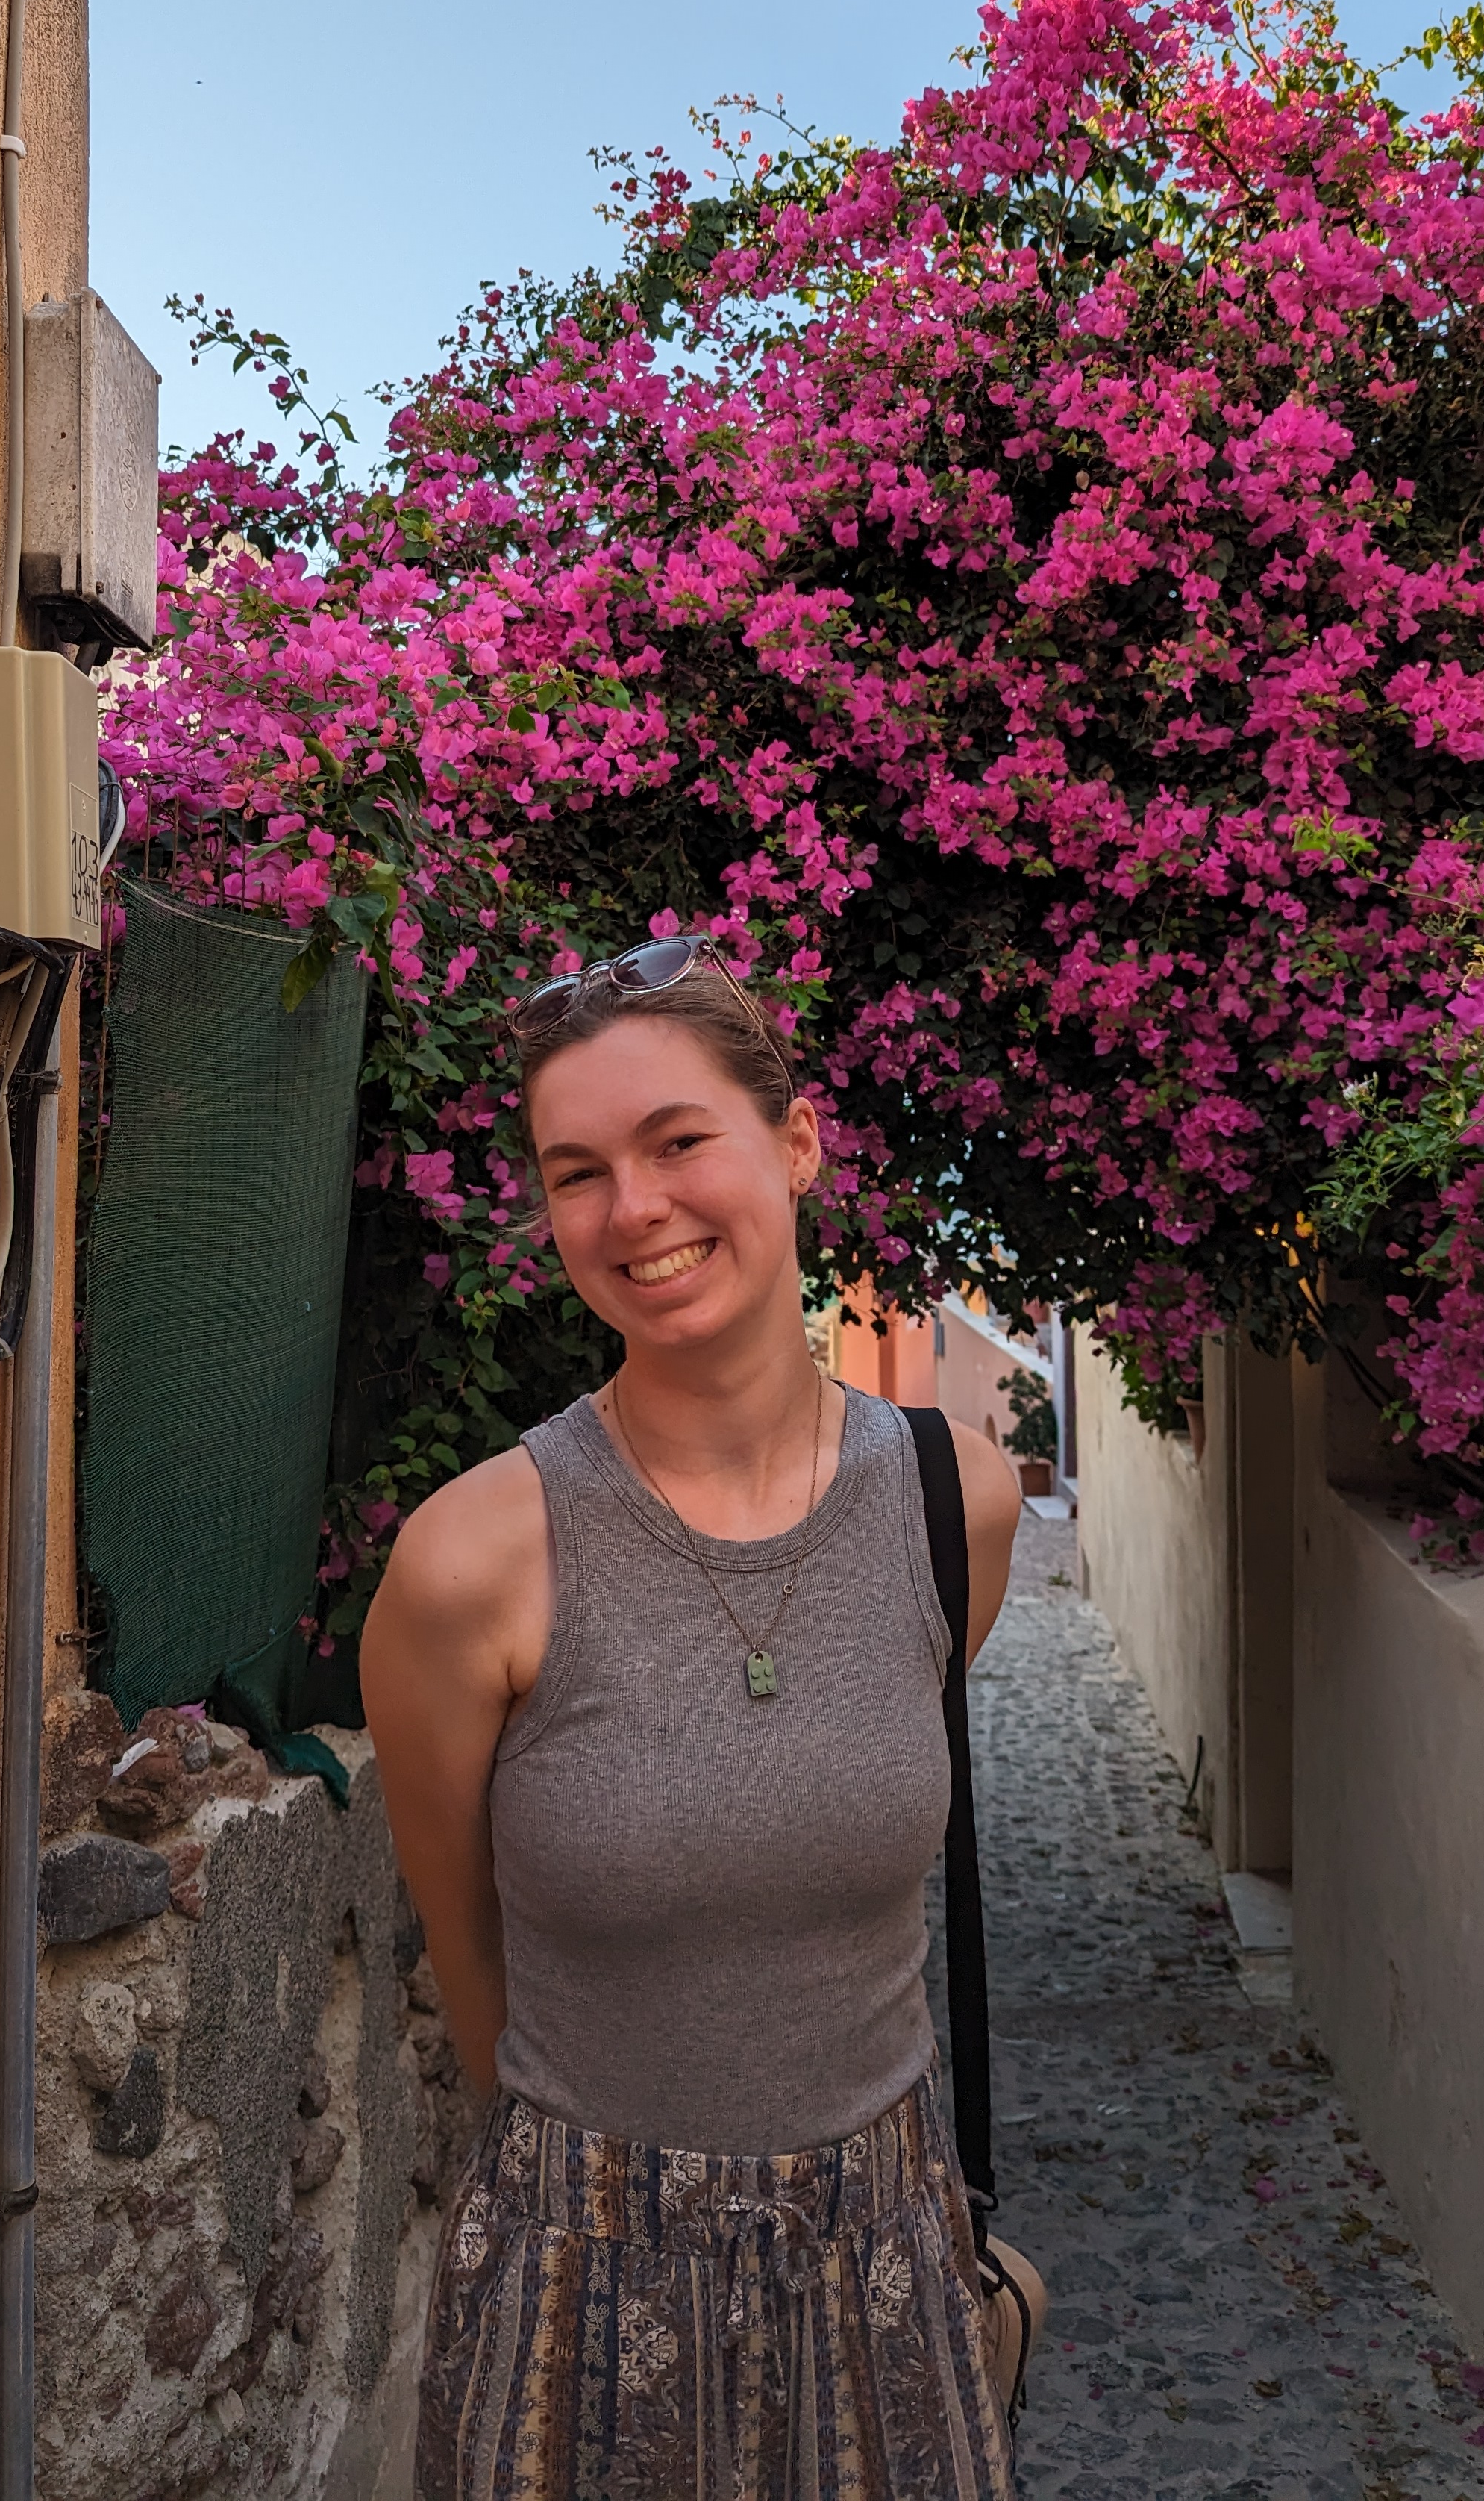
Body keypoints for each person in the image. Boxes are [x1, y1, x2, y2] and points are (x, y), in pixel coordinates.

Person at [361, 935, 1023, 2501]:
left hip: (893, 2277)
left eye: (678, 1142)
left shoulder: (954, 1504)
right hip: (576, 2305)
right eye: (577, 1171)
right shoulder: (475, 1562)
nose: (634, 1212)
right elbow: (478, 1985)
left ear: (796, 1143)